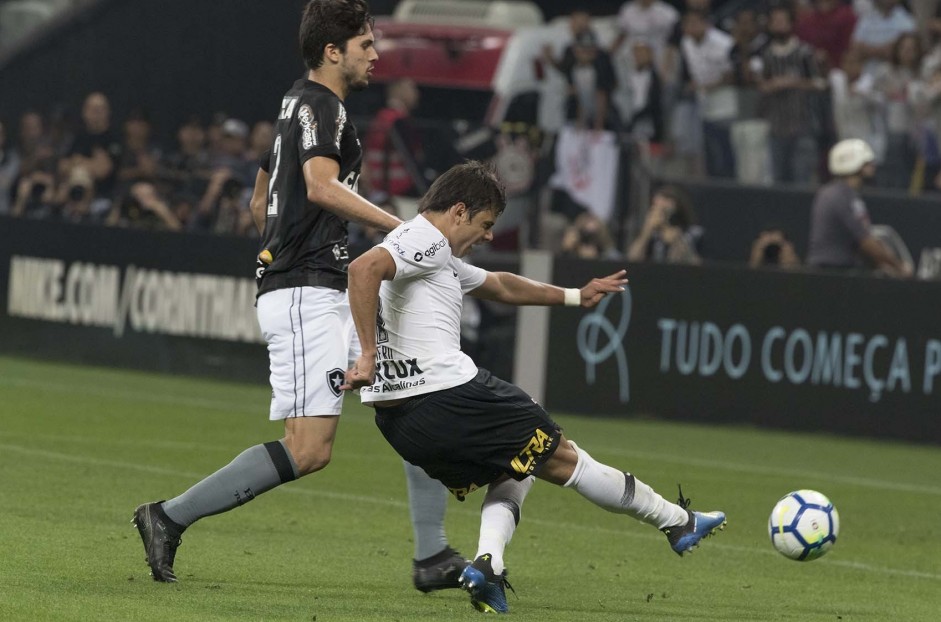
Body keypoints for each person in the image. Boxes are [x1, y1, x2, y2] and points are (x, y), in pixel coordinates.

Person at [133, 0, 467, 592]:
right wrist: (397, 227)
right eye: (366, 44)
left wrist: (277, 232)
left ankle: (434, 554)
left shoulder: (297, 103)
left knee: (416, 394)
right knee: (308, 449)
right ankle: (166, 516)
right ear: (333, 51)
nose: (376, 55)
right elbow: (317, 186)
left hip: (319, 283)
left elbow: (263, 189)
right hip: (305, 291)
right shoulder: (322, 106)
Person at [342, 161, 726, 614]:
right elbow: (363, 269)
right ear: (459, 211)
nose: (487, 236)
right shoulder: (421, 236)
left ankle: (487, 565)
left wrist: (573, 295)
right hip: (447, 395)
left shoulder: (435, 253)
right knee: (563, 455)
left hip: (402, 422)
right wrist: (366, 354)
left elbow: (500, 285)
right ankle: (677, 522)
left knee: (518, 463)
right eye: (486, 224)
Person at [806, 138, 912, 276]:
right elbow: (866, 242)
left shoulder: (835, 193)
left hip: (830, 270)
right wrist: (899, 267)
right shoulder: (842, 196)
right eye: (867, 162)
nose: (872, 165)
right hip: (832, 272)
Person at [363, 78, 425, 198]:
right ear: (400, 91)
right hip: (401, 190)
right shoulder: (399, 121)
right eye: (412, 89)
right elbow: (412, 158)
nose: (417, 93)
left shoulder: (380, 118)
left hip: (377, 187)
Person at [627, 185, 702, 264]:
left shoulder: (693, 232)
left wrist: (676, 241)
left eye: (666, 200)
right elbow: (632, 260)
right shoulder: (651, 234)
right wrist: (646, 232)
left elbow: (697, 265)